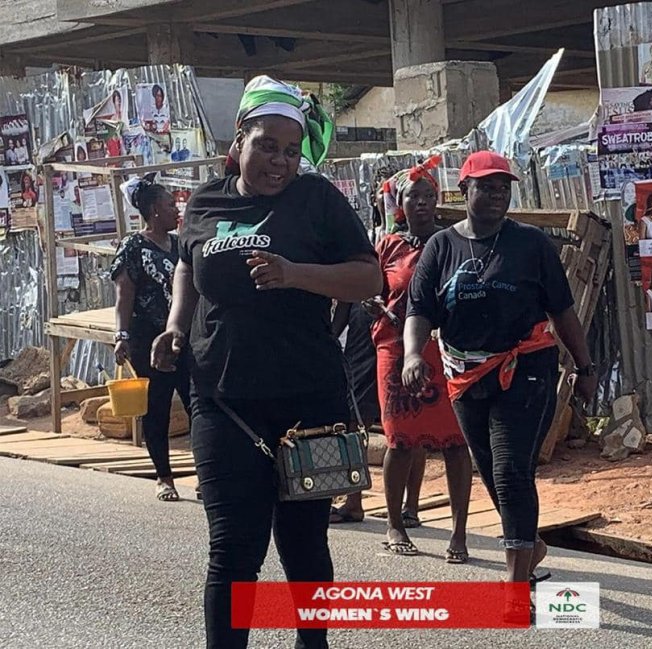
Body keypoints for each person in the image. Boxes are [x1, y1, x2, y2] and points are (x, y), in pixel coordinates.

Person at [151, 75, 380, 649]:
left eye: (291, 151)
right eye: (267, 146)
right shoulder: (205, 200)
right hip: (223, 400)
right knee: (233, 549)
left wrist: (294, 274)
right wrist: (176, 323)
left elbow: (368, 277)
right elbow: (186, 263)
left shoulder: (318, 200)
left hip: (310, 403)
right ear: (239, 141)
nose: (280, 161)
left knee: (304, 546)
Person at [402, 151, 596, 593]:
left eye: (503, 187)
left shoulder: (530, 244)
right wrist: (414, 355)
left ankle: (515, 580)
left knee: (510, 468)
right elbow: (419, 309)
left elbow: (562, 311)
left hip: (525, 368)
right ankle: (529, 544)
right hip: (464, 373)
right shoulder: (441, 246)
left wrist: (585, 367)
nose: (495, 195)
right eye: (486, 186)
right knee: (490, 469)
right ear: (464, 190)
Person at [375, 157, 472, 562]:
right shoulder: (388, 246)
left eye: (429, 195)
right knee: (399, 439)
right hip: (395, 350)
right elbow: (370, 288)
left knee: (455, 442)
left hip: (444, 350)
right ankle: (394, 523)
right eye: (414, 195)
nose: (422, 202)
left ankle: (460, 533)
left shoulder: (451, 242)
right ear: (401, 202)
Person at [111, 176, 190, 501]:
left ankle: (206, 474)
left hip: (182, 338)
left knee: (197, 404)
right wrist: (122, 336)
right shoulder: (133, 247)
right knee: (156, 408)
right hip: (148, 340)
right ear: (155, 210)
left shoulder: (179, 244)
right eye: (171, 205)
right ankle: (164, 477)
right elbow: (123, 296)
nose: (177, 210)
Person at [327, 300, 427, 526]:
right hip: (363, 330)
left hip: (403, 328)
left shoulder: (415, 262)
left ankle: (411, 507)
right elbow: (348, 291)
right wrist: (332, 334)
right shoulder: (362, 263)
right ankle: (353, 502)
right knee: (355, 417)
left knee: (412, 419)